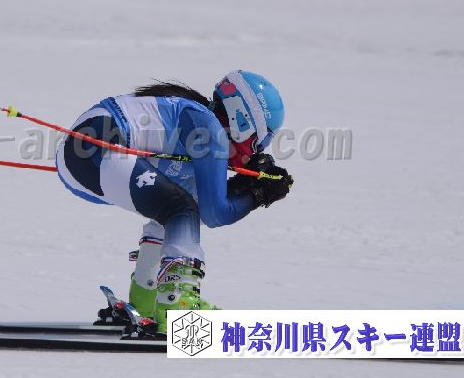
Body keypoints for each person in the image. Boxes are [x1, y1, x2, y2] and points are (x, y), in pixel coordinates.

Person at [55, 70, 293, 334]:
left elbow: (202, 203)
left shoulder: (195, 127)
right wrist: (257, 194)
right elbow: (216, 213)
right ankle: (177, 305)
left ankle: (146, 298)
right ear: (242, 121)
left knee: (178, 206)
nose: (255, 153)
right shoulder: (208, 128)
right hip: (96, 148)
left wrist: (244, 186)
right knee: (180, 209)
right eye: (259, 141)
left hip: (80, 157)